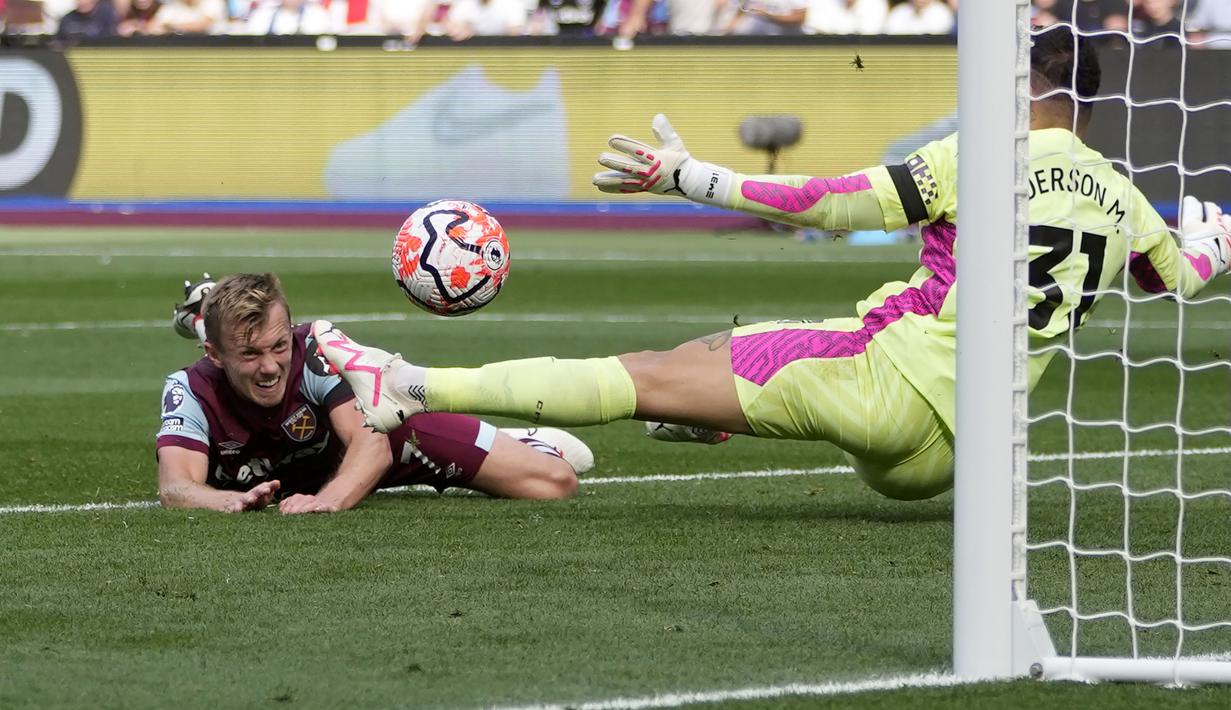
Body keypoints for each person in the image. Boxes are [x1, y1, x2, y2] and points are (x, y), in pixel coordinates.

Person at [312, 25, 1231, 502]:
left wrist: (688, 176)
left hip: (882, 389)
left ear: (1019, 80)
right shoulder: (1122, 200)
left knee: (640, 376)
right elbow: (1177, 278)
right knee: (763, 341)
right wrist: (1211, 242)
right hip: (960, 453)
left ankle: (409, 383)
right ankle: (719, 413)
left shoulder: (983, 152)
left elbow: (827, 204)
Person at [157, 273, 592, 514]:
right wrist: (230, 501)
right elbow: (177, 487)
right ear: (213, 355)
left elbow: (373, 443)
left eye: (278, 345)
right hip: (297, 467)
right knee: (230, 336)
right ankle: (204, 312)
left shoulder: (315, 350)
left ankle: (525, 441)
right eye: (250, 354)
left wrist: (329, 502)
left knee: (555, 482)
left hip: (390, 444)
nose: (270, 366)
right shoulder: (189, 389)